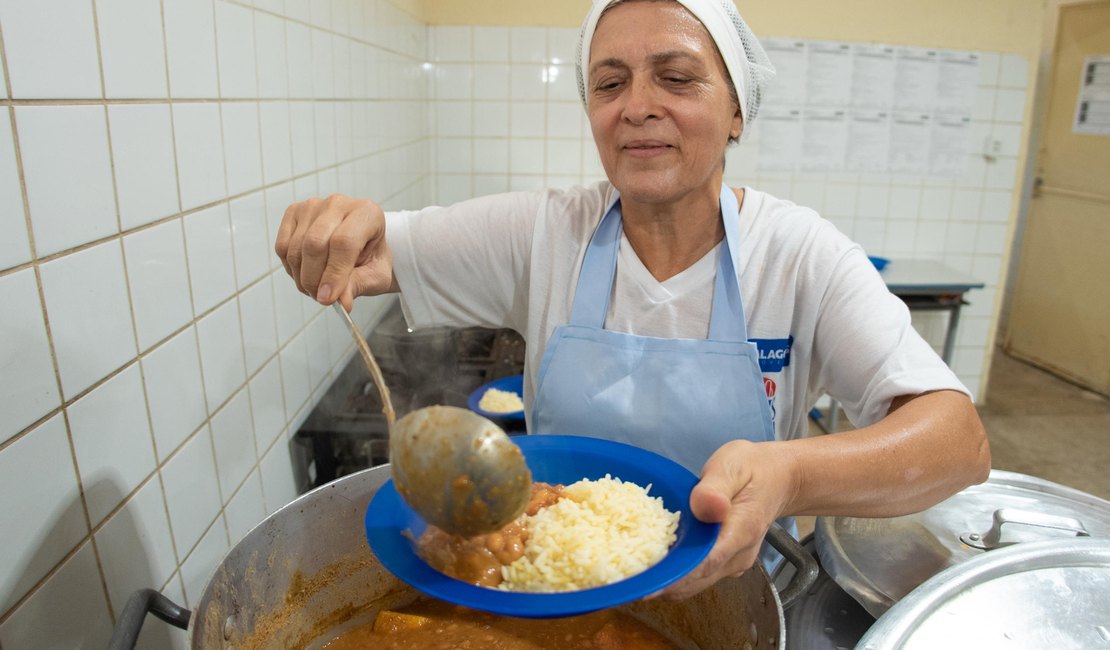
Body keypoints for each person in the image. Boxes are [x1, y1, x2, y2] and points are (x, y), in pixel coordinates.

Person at [275, 0, 990, 599]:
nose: (638, 107)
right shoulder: (546, 232)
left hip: (730, 594)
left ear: (738, 111)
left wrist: (790, 476)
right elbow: (373, 250)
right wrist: (338, 229)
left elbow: (957, 442)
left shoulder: (799, 254)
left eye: (676, 78)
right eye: (609, 84)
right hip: (553, 586)